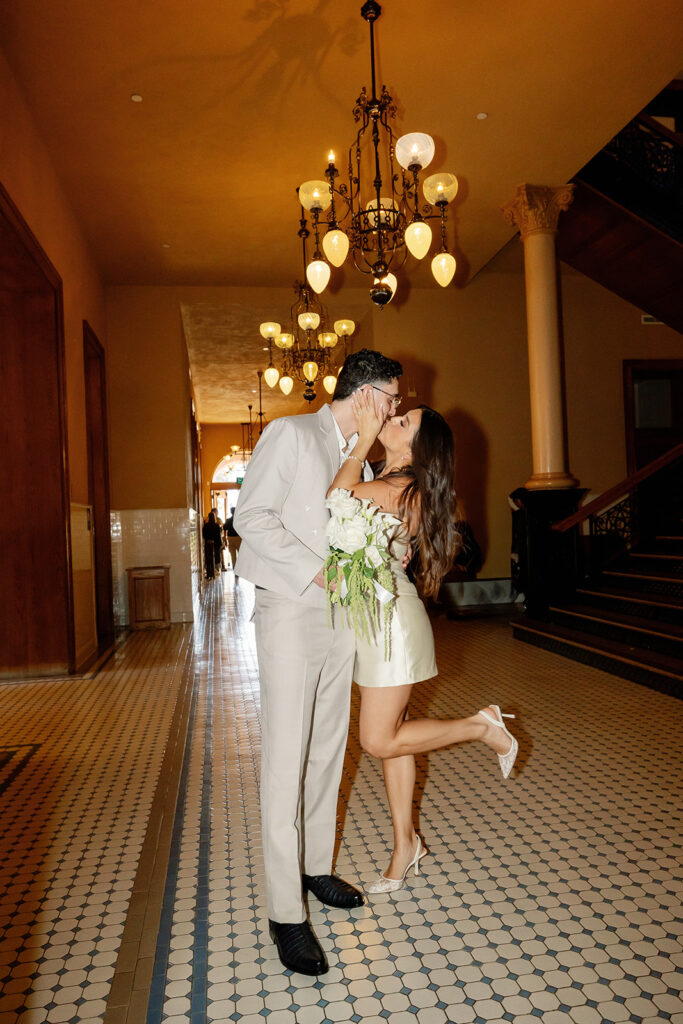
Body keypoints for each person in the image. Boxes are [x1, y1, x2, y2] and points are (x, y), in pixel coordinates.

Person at [234, 349, 404, 976]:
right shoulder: (293, 433)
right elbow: (249, 516)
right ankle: (285, 912)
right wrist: (317, 572)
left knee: (329, 747)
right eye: (390, 397)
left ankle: (314, 869)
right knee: (286, 755)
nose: (395, 409)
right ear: (363, 393)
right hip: (289, 607)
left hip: (344, 616)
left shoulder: (367, 452)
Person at [326, 390, 519, 894]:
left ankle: (482, 726)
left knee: (376, 739)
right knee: (395, 738)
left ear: (418, 447)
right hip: (377, 618)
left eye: (403, 419)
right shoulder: (388, 481)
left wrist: (364, 436)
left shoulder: (403, 489)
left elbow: (335, 502)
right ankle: (405, 844)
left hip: (393, 625)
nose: (393, 415)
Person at [202, 512, 222, 580]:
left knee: (208, 559)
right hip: (215, 544)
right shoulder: (216, 525)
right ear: (214, 517)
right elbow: (218, 536)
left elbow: (204, 535)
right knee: (214, 558)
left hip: (208, 544)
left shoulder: (206, 525)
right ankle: (213, 574)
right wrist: (220, 544)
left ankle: (208, 574)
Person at [224, 507, 241, 572]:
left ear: (231, 512)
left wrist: (225, 538)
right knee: (241, 553)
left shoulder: (228, 520)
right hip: (238, 538)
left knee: (233, 555)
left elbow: (224, 528)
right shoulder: (239, 519)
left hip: (230, 538)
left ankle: (235, 568)